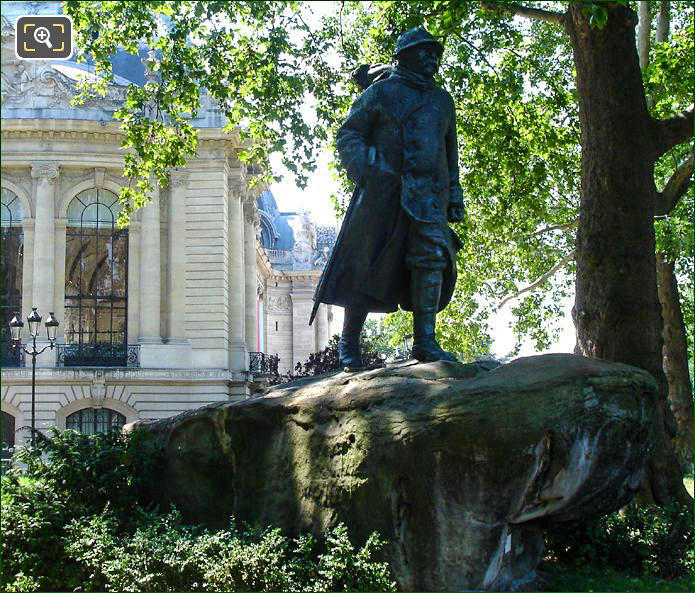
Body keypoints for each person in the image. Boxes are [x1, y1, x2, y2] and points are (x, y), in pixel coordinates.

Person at [310, 26, 465, 368]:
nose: (432, 59)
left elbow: (449, 151)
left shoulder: (442, 101)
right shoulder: (381, 93)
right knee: (365, 265)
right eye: (424, 52)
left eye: (435, 53)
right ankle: (349, 343)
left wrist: (454, 193)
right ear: (404, 56)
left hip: (429, 196)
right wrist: (370, 168)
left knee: (431, 262)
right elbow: (349, 133)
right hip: (384, 195)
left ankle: (425, 342)